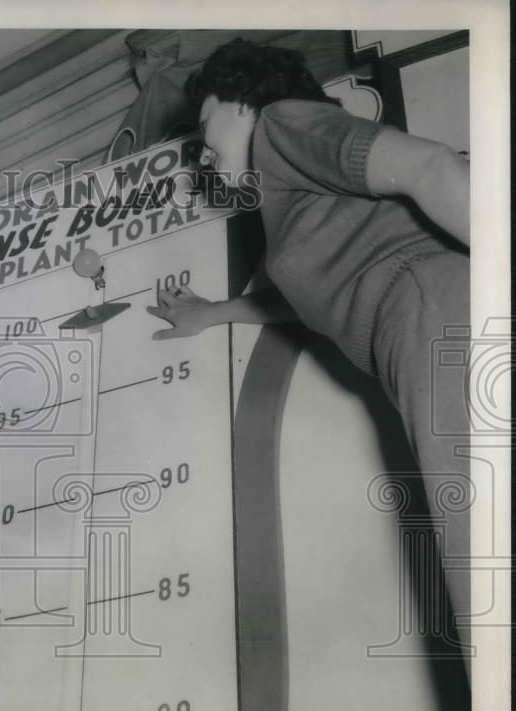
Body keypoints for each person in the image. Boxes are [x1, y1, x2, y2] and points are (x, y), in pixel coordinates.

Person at [147, 39, 471, 669]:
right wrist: (213, 314)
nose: (204, 157)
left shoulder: (281, 123)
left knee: (484, 574)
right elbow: (313, 293)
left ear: (245, 101)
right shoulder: (289, 198)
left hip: (433, 314)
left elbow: (436, 169)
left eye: (206, 124)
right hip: (420, 329)